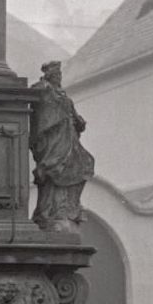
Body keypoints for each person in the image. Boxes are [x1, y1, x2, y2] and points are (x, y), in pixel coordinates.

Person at [29, 60, 96, 230]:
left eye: (60, 74)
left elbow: (73, 114)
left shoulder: (63, 96)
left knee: (85, 163)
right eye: (56, 74)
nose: (59, 77)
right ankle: (51, 212)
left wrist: (79, 122)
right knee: (54, 170)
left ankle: (69, 208)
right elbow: (38, 105)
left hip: (68, 139)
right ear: (49, 75)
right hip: (53, 140)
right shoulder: (43, 89)